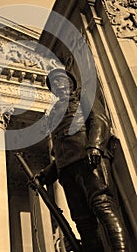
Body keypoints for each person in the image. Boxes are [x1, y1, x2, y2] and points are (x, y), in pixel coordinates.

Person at [37, 68, 128, 252]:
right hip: (66, 171)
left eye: (62, 81)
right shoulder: (54, 116)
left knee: (102, 205)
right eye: (55, 84)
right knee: (82, 221)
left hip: (88, 160)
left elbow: (99, 120)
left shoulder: (82, 98)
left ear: (71, 84)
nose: (59, 86)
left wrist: (94, 145)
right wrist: (46, 175)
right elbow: (63, 150)